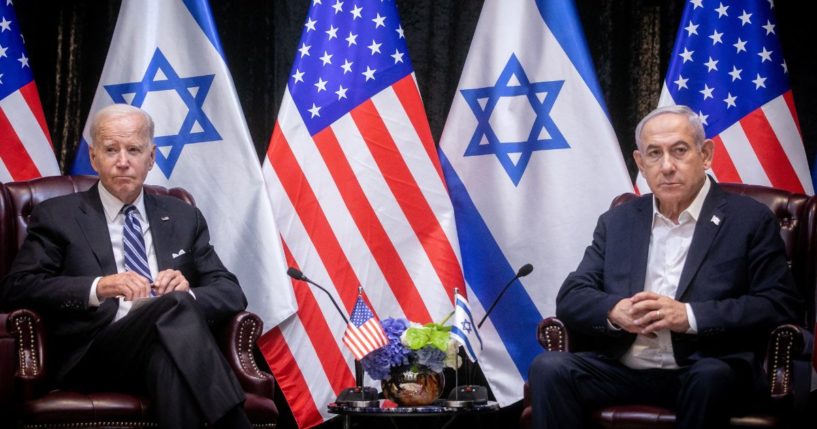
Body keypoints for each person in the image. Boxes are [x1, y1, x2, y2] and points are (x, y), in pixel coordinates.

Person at [528, 105, 802, 429]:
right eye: (654, 154)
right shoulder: (618, 221)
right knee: (548, 368)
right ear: (640, 164)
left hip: (705, 369)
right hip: (625, 369)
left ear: (706, 154)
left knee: (709, 377)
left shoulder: (749, 220)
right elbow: (572, 295)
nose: (667, 166)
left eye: (680, 151)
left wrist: (687, 317)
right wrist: (615, 312)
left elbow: (778, 303)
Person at [1, 104, 252, 428]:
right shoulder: (57, 215)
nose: (122, 161)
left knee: (169, 343)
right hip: (95, 353)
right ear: (94, 157)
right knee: (171, 308)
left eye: (134, 150)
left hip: (167, 346)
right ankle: (235, 421)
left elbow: (231, 291)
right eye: (110, 150)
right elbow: (17, 287)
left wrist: (188, 294)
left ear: (151, 157)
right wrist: (98, 287)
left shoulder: (182, 215)